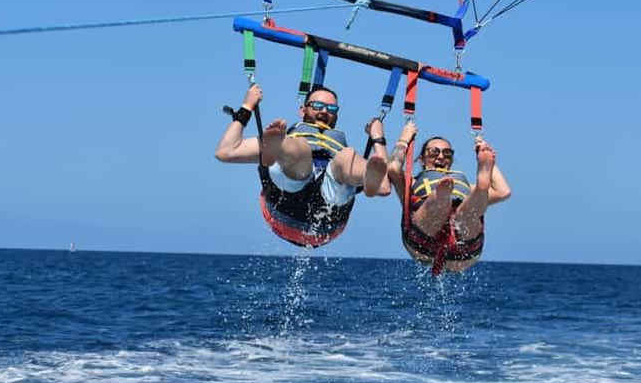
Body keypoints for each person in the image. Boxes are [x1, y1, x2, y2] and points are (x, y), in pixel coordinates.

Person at [215, 83, 391, 247]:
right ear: (302, 110)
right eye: (317, 106)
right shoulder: (293, 138)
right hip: (285, 205)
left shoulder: (339, 149)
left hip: (328, 217)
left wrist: (377, 136)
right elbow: (225, 151)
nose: (324, 111)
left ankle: (369, 178)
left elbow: (385, 188)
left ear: (336, 116)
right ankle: (280, 148)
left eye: (331, 109)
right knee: (300, 148)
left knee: (347, 156)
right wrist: (247, 106)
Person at [386, 121, 511, 272]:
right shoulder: (409, 183)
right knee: (439, 204)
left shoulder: (465, 188)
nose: (440, 157)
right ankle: (441, 198)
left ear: (451, 159)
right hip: (423, 244)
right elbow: (393, 168)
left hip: (463, 250)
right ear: (421, 159)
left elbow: (503, 191)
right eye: (434, 152)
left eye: (447, 153)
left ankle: (481, 186)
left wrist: (483, 153)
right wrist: (404, 138)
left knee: (466, 211)